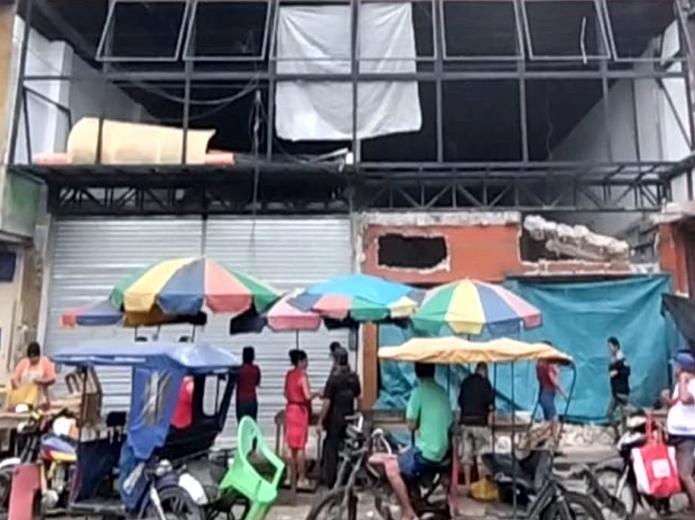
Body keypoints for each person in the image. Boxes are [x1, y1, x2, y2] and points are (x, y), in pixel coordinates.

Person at [381, 363, 452, 520]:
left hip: (427, 453)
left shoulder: (418, 393)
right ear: (433, 372)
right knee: (403, 454)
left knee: (391, 469)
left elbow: (411, 425)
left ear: (417, 373)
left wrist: (420, 420)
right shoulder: (443, 393)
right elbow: (448, 422)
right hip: (442, 451)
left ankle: (407, 511)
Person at [318, 345, 361, 487]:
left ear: (336, 361)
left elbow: (327, 402)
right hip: (349, 418)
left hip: (334, 420)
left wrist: (320, 421)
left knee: (331, 448)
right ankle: (347, 478)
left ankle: (331, 480)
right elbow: (357, 394)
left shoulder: (333, 379)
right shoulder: (353, 377)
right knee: (348, 448)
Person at [665, 351, 695, 511]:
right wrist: (666, 400)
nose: (674, 369)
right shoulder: (680, 384)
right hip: (675, 433)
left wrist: (683, 379)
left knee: (685, 474)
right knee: (675, 471)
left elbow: (685, 399)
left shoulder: (692, 384)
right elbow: (677, 404)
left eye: (677, 366)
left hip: (687, 436)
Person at [458, 362, 495, 488]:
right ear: (484, 371)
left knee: (466, 456)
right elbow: (491, 407)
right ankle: (482, 486)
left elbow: (460, 402)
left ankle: (468, 485)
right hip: (480, 423)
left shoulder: (466, 382)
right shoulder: (486, 384)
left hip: (465, 423)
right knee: (483, 456)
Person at [284, 349, 313, 489]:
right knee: (300, 446)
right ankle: (301, 478)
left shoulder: (289, 374)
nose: (307, 363)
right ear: (300, 362)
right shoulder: (302, 376)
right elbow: (307, 396)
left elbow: (285, 393)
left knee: (290, 445)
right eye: (305, 360)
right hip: (300, 411)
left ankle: (290, 477)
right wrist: (317, 394)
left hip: (290, 410)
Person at [9, 341, 56, 409]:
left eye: (34, 357)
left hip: (40, 399)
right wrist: (20, 389)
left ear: (38, 355)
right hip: (24, 398)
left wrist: (42, 381)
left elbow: (52, 379)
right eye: (30, 357)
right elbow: (14, 379)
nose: (32, 360)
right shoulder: (23, 363)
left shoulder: (45, 362)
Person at [536, 352, 566, 440]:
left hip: (544, 394)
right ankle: (551, 438)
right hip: (547, 393)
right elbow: (553, 379)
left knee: (548, 420)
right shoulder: (546, 366)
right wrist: (562, 392)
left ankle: (548, 438)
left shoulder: (539, 365)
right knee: (554, 418)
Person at [606, 337, 630, 428]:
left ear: (616, 346)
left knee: (624, 415)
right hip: (615, 393)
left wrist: (617, 372)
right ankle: (618, 432)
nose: (609, 349)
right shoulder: (613, 360)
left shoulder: (622, 359)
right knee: (609, 413)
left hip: (622, 392)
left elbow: (627, 372)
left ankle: (624, 433)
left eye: (611, 346)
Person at [237, 346, 261, 422]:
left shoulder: (239, 369)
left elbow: (236, 382)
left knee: (242, 423)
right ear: (253, 356)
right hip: (252, 399)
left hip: (241, 400)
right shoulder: (256, 369)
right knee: (252, 423)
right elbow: (257, 383)